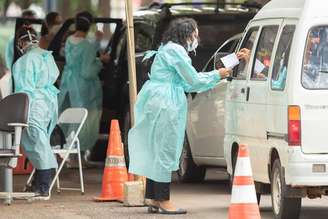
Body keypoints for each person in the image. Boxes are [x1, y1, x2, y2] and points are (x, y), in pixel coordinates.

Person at [128, 18, 231, 214]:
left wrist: (215, 75)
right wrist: (217, 75)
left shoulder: (167, 48)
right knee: (166, 149)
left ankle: (153, 197)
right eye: (195, 33)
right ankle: (164, 200)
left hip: (156, 100)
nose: (197, 38)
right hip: (166, 103)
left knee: (156, 148)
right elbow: (192, 79)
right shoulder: (176, 51)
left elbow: (186, 82)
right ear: (186, 34)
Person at [12, 25, 59, 199]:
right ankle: (39, 181)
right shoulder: (47, 56)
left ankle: (44, 186)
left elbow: (23, 90)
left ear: (22, 42)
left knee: (37, 143)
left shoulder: (23, 62)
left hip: (33, 103)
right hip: (48, 102)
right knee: (41, 141)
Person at [58, 11, 110, 154]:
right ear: (89, 26)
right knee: (85, 122)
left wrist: (96, 42)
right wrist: (101, 61)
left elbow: (79, 56)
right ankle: (79, 155)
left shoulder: (69, 41)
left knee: (70, 118)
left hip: (68, 86)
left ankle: (68, 152)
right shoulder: (86, 45)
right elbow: (87, 71)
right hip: (84, 90)